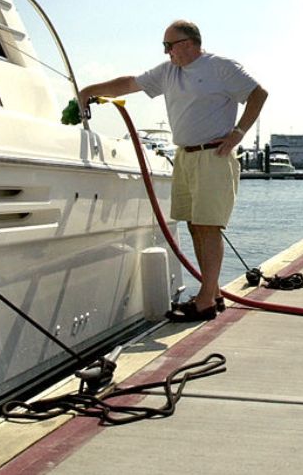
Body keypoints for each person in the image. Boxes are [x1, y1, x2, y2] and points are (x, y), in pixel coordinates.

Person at [78, 20, 267, 322]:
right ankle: (212, 292)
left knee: (209, 226)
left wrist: (239, 132)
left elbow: (258, 94)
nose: (166, 52)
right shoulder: (168, 73)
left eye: (170, 45)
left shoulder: (220, 67)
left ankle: (205, 300)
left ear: (190, 43)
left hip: (214, 155)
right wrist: (89, 90)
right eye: (164, 46)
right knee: (194, 224)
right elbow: (129, 83)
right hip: (185, 156)